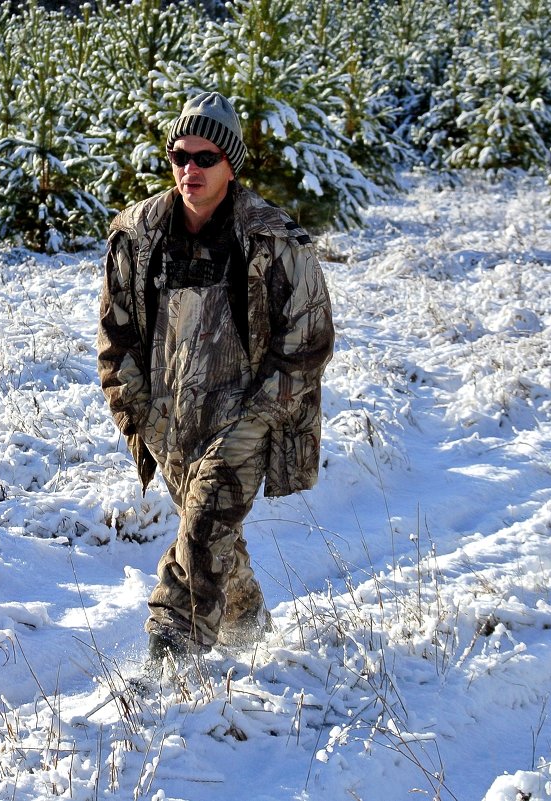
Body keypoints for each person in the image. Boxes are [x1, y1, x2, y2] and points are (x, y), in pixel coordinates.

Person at [97, 92, 334, 665]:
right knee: (210, 530)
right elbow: (116, 334)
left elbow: (309, 341)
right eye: (179, 156)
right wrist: (137, 409)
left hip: (248, 416)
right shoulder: (137, 235)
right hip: (168, 418)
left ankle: (171, 657)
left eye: (205, 157)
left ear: (231, 163)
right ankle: (247, 621)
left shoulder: (273, 239)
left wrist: (259, 416)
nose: (189, 170)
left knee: (202, 527)